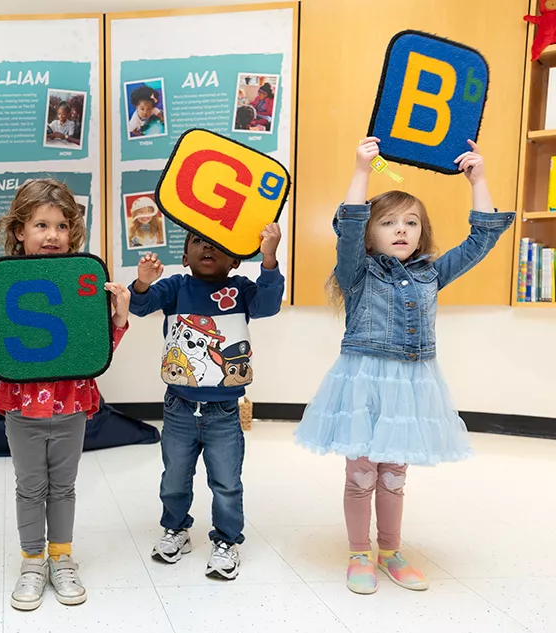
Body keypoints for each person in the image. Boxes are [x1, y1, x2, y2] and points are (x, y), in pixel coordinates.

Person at [295, 136, 514, 594]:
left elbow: (483, 237)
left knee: (393, 476)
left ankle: (391, 551)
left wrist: (480, 180)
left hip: (410, 386)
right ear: (373, 232)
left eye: (411, 223)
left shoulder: (431, 272)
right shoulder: (359, 271)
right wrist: (361, 171)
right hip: (363, 382)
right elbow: (349, 227)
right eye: (389, 222)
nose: (401, 230)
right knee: (361, 475)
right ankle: (359, 553)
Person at [0, 178, 131, 611]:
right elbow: (3, 352)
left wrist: (120, 315)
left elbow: (95, 347)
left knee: (65, 486)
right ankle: (32, 561)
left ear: (71, 231)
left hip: (72, 402)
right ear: (20, 231)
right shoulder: (7, 282)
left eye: (60, 225)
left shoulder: (81, 281)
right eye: (41, 225)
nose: (52, 235)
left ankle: (62, 558)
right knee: (30, 486)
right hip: (22, 408)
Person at [129, 223, 284, 579]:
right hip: (179, 407)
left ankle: (227, 540)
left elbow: (269, 304)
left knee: (226, 482)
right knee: (175, 478)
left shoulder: (241, 288)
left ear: (233, 260)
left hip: (225, 412)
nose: (207, 247)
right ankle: (176, 529)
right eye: (198, 241)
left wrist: (270, 257)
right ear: (185, 258)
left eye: (217, 244)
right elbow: (140, 306)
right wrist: (142, 282)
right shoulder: (175, 287)